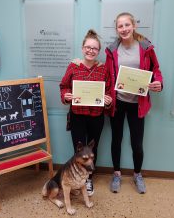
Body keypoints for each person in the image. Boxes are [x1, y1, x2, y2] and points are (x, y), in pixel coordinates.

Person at [105, 12, 163, 194]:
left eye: (126, 25)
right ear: (117, 29)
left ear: (134, 25)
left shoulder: (146, 48)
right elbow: (107, 75)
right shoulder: (111, 50)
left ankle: (137, 174)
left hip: (138, 103)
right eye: (120, 26)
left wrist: (158, 83)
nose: (124, 29)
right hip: (118, 102)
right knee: (116, 140)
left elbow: (156, 70)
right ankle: (116, 174)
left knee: (137, 143)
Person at [59, 29, 112, 196]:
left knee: (93, 149)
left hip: (96, 116)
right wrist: (66, 96)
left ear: (98, 51)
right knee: (79, 149)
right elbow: (64, 86)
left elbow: (109, 90)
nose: (90, 51)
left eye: (94, 48)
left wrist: (108, 99)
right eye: (88, 47)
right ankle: (77, 179)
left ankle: (88, 179)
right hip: (77, 115)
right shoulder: (73, 66)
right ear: (82, 48)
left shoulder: (103, 70)